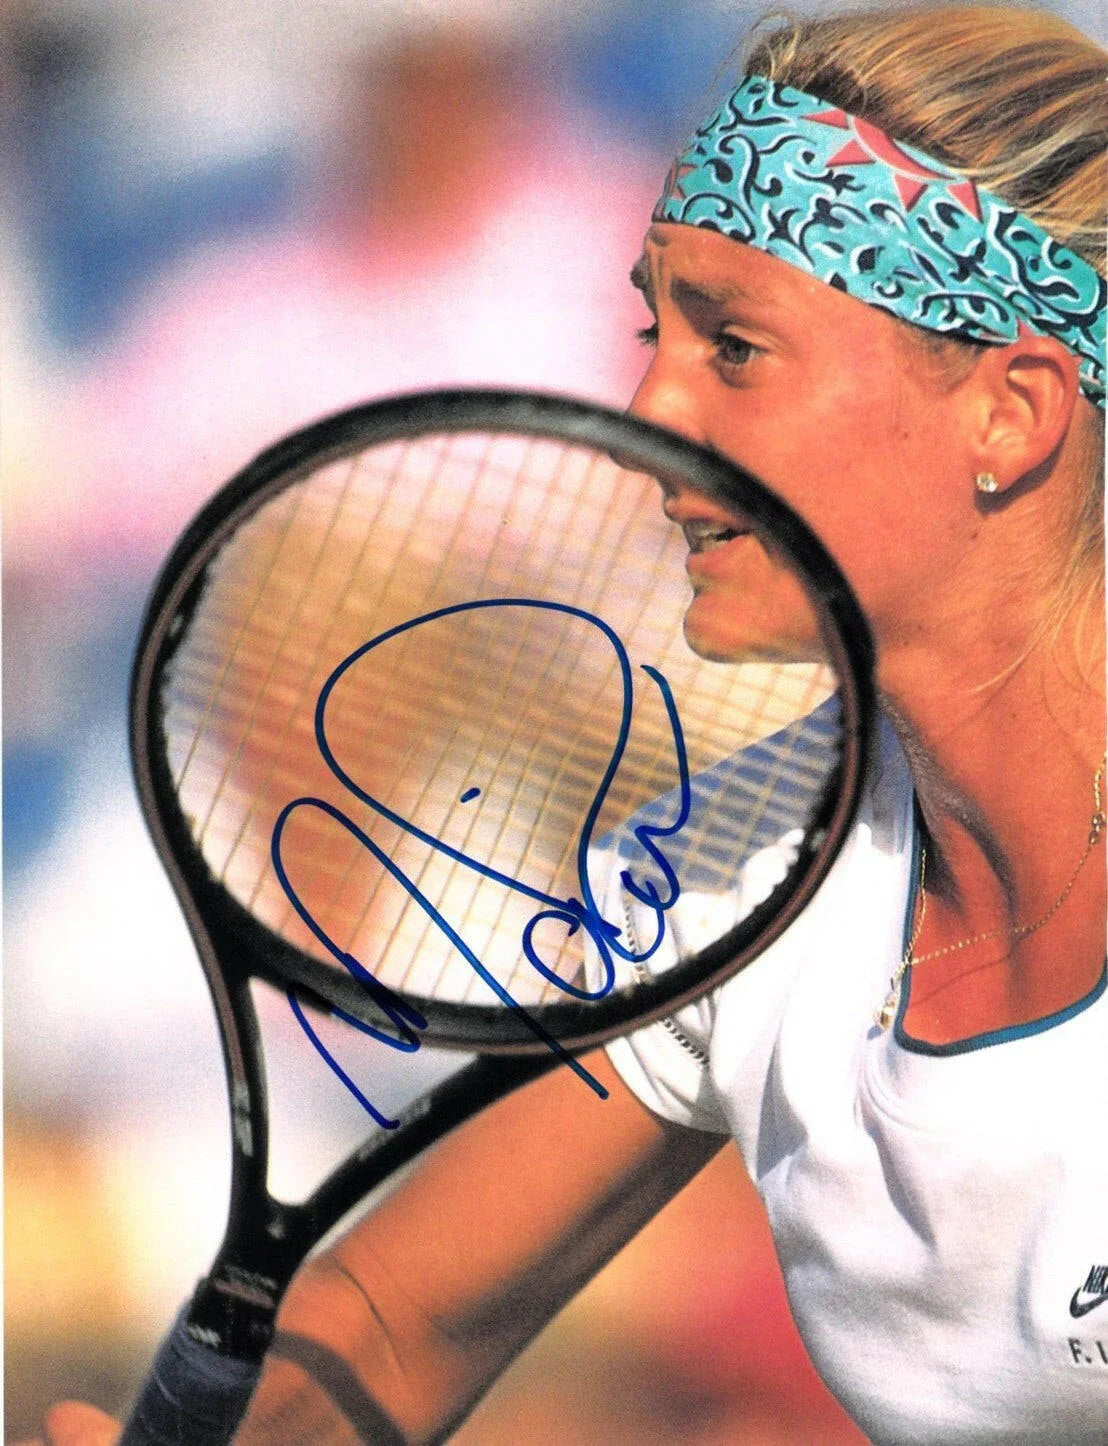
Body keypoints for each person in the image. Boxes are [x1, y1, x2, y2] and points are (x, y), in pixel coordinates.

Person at [35, 3, 1107, 1442]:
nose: (646, 407)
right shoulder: (740, 853)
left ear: (1012, 411)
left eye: (735, 348)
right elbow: (392, 1323)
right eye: (655, 331)